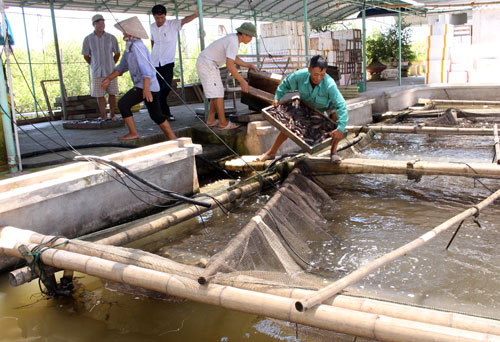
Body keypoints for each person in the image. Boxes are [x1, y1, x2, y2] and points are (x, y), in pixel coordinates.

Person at [258, 55, 348, 162]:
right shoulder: (300, 76)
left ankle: (333, 152)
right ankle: (271, 152)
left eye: (322, 74)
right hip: (306, 104)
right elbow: (285, 83)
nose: (319, 78)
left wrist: (341, 128)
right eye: (316, 74)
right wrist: (277, 97)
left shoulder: (329, 84)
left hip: (326, 104)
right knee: (290, 124)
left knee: (336, 121)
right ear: (309, 69)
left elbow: (341, 105)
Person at [101, 16, 176, 141]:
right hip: (147, 86)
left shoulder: (137, 47)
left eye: (124, 32)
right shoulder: (129, 47)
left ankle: (133, 133)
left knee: (123, 104)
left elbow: (146, 69)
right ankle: (172, 137)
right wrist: (109, 78)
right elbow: (121, 67)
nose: (123, 34)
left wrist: (146, 89)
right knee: (156, 115)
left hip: (146, 85)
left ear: (130, 34)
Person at [196, 22, 258, 130]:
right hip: (208, 64)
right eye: (251, 36)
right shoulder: (233, 42)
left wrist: (249, 65)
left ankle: (211, 120)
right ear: (244, 34)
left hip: (209, 64)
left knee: (216, 93)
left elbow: (234, 58)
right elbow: (230, 65)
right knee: (218, 94)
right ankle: (223, 123)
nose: (251, 39)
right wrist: (242, 81)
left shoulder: (233, 39)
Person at [150, 5, 198, 122]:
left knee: (165, 88)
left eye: (162, 17)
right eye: (157, 18)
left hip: (168, 63)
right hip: (155, 63)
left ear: (165, 16)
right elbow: (152, 41)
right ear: (154, 17)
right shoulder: (152, 27)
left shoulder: (172, 25)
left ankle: (161, 113)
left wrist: (195, 15)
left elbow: (184, 20)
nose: (160, 20)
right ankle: (164, 114)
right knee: (156, 89)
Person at [82, 14, 120, 120]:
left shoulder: (111, 38)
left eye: (103, 22)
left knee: (112, 93)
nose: (101, 25)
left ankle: (112, 114)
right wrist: (94, 64)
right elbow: (86, 55)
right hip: (97, 72)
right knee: (100, 94)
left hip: (111, 71)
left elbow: (117, 53)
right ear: (94, 25)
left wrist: (112, 64)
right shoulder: (88, 39)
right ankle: (103, 115)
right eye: (98, 23)